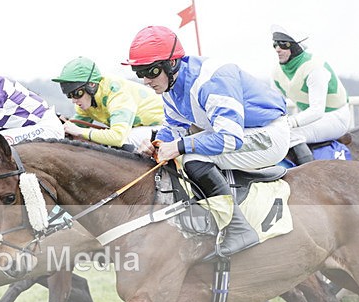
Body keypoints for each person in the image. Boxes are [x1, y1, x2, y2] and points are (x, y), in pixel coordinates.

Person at [124, 26, 290, 260]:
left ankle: (238, 228)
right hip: (237, 132)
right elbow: (172, 129)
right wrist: (157, 144)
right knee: (176, 154)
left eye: (150, 71)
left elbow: (230, 138)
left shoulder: (212, 81)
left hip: (267, 134)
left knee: (191, 156)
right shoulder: (170, 88)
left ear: (172, 64)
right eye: (139, 72)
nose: (145, 81)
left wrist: (181, 146)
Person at [270, 25, 351, 165]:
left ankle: (312, 175)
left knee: (292, 135)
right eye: (275, 44)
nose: (278, 49)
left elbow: (317, 110)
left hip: (335, 117)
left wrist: (291, 122)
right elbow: (274, 105)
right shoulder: (277, 72)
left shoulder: (315, 68)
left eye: (283, 44)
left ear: (296, 47)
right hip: (313, 118)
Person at [51, 56, 164, 150]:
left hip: (164, 127)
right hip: (139, 129)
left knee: (125, 140)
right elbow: (73, 128)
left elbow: (117, 137)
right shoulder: (86, 102)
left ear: (91, 85)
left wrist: (80, 131)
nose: (74, 101)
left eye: (77, 93)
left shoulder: (116, 93)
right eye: (69, 95)